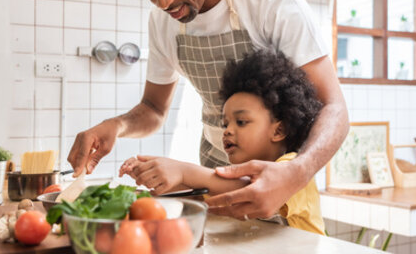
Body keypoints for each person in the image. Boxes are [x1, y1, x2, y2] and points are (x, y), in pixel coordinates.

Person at [65, 0, 349, 221]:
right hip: (214, 180)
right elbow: (154, 109)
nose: (163, 2)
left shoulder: (270, 0)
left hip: (280, 183)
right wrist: (116, 126)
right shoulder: (162, 22)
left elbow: (334, 107)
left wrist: (297, 172)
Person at [119, 49, 325, 234]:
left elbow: (247, 188)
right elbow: (204, 195)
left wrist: (182, 170)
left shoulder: (292, 167)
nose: (227, 132)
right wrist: (157, 174)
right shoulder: (233, 177)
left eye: (241, 122)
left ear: (279, 130)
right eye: (226, 124)